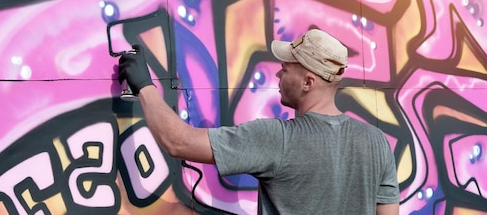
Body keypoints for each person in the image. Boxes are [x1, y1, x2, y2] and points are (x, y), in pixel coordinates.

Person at [118, 29, 400, 215]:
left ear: (308, 82)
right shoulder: (376, 143)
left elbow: (178, 141)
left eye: (285, 69)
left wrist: (144, 85)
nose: (278, 75)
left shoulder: (279, 139)